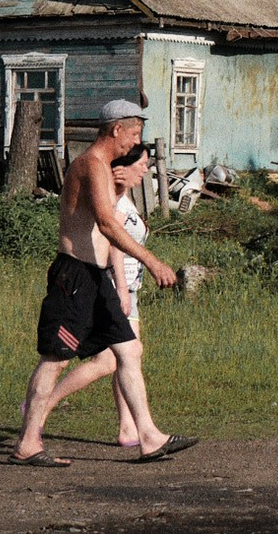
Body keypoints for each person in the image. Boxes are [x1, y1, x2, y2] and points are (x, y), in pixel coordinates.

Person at [11, 100, 195, 465]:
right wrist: (151, 260)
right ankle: (28, 442)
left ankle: (148, 436)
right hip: (74, 276)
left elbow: (108, 226)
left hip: (97, 279)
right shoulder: (90, 164)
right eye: (134, 134)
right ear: (116, 130)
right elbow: (109, 224)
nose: (135, 143)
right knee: (55, 359)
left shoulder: (104, 168)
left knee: (129, 351)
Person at [20, 146, 156, 450]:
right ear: (125, 165)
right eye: (143, 164)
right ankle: (41, 410)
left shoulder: (123, 196)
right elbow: (111, 242)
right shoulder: (111, 196)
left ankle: (132, 429)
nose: (146, 170)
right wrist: (121, 287)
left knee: (127, 355)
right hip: (103, 284)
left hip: (124, 288)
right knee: (97, 359)